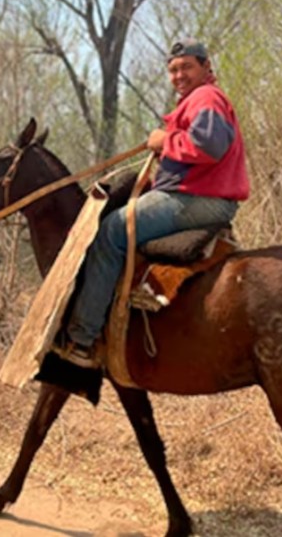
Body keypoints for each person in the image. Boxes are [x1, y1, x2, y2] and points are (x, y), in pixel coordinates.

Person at [58, 38, 249, 367]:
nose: (179, 75)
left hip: (200, 199)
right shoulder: (193, 102)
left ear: (206, 67)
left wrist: (165, 140)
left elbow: (211, 146)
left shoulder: (206, 97)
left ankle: (83, 340)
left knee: (112, 231)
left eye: (187, 66)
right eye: (173, 70)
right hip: (195, 195)